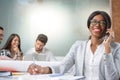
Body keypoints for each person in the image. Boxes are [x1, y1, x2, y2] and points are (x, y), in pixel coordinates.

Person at [27, 11, 120, 80]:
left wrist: (107, 47)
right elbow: (62, 66)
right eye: (94, 21)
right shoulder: (78, 46)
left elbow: (113, 78)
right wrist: (43, 70)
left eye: (102, 22)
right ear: (89, 25)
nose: (97, 25)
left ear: (107, 28)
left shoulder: (116, 48)